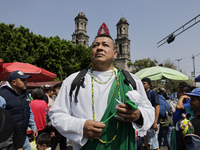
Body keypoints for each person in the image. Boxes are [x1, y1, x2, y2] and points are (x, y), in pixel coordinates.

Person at [49, 23, 155, 150]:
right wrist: (81, 126)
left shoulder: (131, 80)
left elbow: (149, 111)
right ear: (91, 52)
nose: (99, 48)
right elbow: (56, 114)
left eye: (105, 45)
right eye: (95, 45)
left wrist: (138, 115)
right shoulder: (73, 80)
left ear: (115, 54)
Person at [0, 70, 38, 150]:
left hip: (23, 135)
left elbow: (28, 110)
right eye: (22, 80)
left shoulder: (25, 93)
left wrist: (33, 126)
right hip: (10, 139)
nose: (26, 82)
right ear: (14, 82)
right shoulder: (2, 95)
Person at [141, 77, 160, 150]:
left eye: (144, 83)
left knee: (154, 144)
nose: (142, 85)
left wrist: (155, 122)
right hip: (146, 123)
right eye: (141, 83)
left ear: (149, 85)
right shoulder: (143, 94)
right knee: (149, 144)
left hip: (152, 123)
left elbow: (157, 107)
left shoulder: (152, 93)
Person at [50, 82, 68, 150]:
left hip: (59, 127)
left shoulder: (59, 100)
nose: (54, 92)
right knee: (63, 145)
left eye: (55, 90)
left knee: (53, 145)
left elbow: (56, 115)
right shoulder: (65, 99)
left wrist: (53, 130)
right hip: (63, 127)